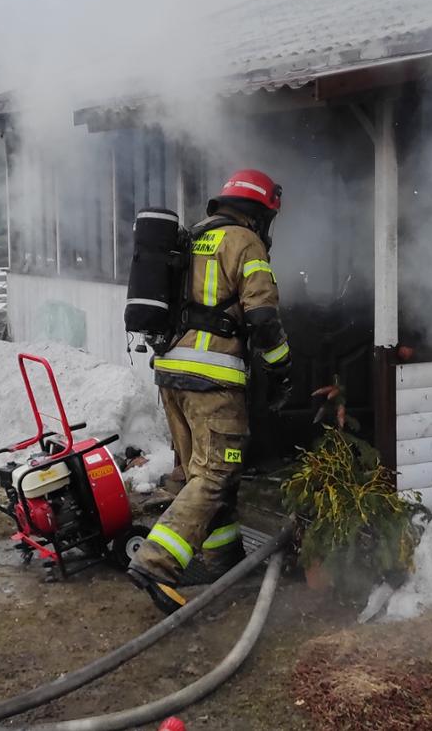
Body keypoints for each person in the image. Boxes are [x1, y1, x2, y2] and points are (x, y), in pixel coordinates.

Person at [127, 169, 295, 613]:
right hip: (212, 379)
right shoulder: (244, 241)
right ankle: (156, 563)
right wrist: (280, 369)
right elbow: (263, 316)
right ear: (260, 212)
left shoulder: (192, 237)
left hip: (171, 374)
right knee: (216, 473)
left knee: (201, 472)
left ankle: (223, 559)